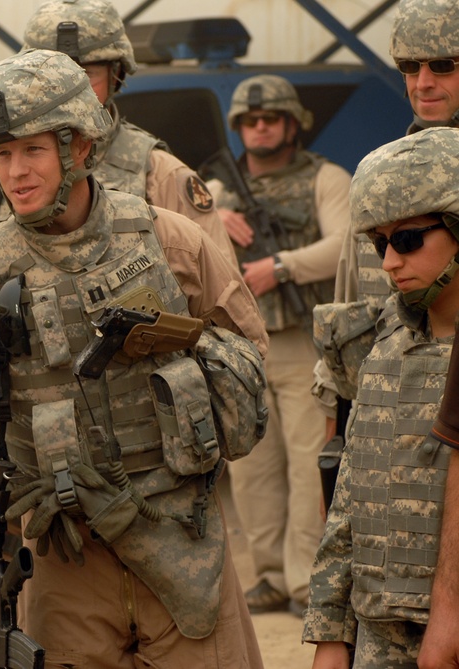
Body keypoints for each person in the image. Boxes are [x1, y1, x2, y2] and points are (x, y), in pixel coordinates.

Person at [0, 48, 269, 668]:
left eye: (32, 150)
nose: (16, 172)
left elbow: (245, 350)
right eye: (2, 155)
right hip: (66, 550)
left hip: (184, 532)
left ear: (80, 149)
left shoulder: (170, 239)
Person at [0, 0, 235, 351]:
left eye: (84, 74)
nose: (67, 89)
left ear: (116, 74)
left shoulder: (158, 173)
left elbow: (223, 305)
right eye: (48, 76)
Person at [302, 127, 459, 669]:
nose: (390, 261)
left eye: (409, 240)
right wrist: (329, 634)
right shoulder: (387, 338)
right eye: (379, 243)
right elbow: (351, 494)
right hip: (379, 631)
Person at [206, 73, 350, 616]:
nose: (259, 128)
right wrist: (212, 217)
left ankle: (304, 581)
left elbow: (344, 245)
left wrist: (281, 267)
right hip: (240, 344)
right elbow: (172, 229)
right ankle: (267, 574)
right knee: (252, 467)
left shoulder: (326, 178)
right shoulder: (216, 189)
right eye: (249, 121)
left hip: (301, 343)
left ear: (293, 124)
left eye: (270, 119)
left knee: (308, 462)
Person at [313, 0, 459, 429]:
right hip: (391, 441)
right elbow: (346, 333)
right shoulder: (383, 181)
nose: (423, 83)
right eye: (411, 68)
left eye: (444, 65)